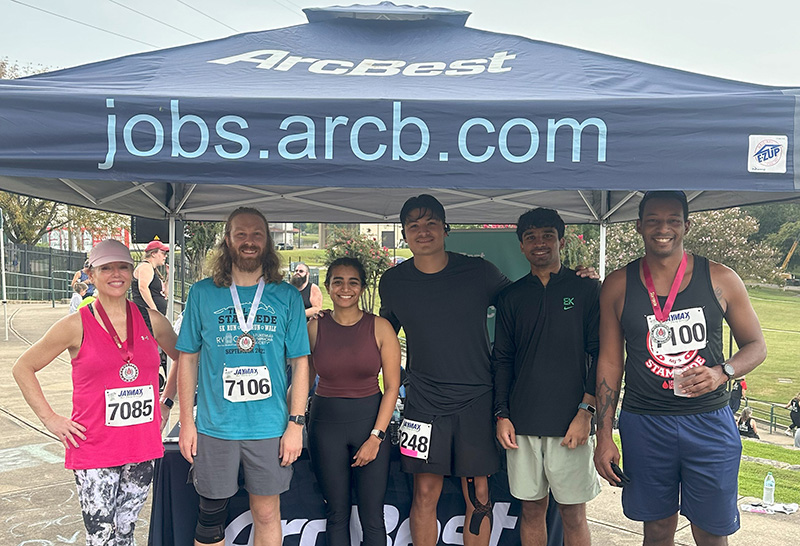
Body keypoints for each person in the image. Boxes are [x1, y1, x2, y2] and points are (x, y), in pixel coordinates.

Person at [379, 194, 596, 546]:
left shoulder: (478, 272)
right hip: (421, 403)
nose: (423, 232)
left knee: (479, 496)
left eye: (431, 223)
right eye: (414, 226)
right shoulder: (392, 281)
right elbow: (381, 335)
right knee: (424, 492)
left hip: (476, 401)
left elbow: (528, 300)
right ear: (403, 234)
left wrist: (577, 282)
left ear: (446, 229)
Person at [594, 191, 767, 546]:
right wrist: (603, 435)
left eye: (673, 220)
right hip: (645, 422)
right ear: (639, 226)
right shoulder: (618, 284)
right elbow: (611, 361)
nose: (663, 228)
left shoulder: (721, 278)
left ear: (687, 226)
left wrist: (724, 372)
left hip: (708, 420)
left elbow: (756, 346)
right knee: (656, 530)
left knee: (711, 531)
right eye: (654, 220)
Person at [12, 239, 179, 546]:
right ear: (90, 273)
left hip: (141, 444)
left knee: (126, 532)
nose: (116, 274)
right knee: (101, 536)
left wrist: (166, 402)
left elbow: (184, 358)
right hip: (95, 448)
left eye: (123, 267)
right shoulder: (75, 324)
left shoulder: (151, 320)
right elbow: (23, 368)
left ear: (131, 271)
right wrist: (50, 419)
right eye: (106, 268)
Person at [177, 207, 310, 546]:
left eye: (257, 235)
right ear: (227, 240)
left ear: (267, 242)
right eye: (241, 234)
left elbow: (301, 363)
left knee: (266, 513)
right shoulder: (202, 293)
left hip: (269, 426)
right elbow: (187, 359)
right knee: (210, 518)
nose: (249, 242)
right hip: (214, 425)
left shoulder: (287, 296)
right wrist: (186, 423)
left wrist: (296, 424)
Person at [493, 208, 600, 546]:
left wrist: (587, 411)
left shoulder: (586, 290)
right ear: (521, 247)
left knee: (573, 514)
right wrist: (502, 414)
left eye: (547, 236)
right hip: (522, 422)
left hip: (572, 422)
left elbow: (601, 355)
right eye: (531, 238)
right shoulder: (511, 297)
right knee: (532, 509)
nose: (539, 243)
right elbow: (503, 360)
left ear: (561, 241)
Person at [307, 257, 401, 546]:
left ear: (362, 288)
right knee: (336, 514)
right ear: (327, 286)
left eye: (353, 282)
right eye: (338, 281)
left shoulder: (380, 327)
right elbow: (301, 382)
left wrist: (376, 437)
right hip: (325, 427)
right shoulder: (313, 328)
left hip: (370, 425)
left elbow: (393, 387)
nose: (345, 288)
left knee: (372, 517)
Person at [132, 239, 169, 315]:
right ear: (153, 254)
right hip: (146, 314)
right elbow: (143, 288)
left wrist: (169, 275)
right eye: (163, 253)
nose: (165, 256)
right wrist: (154, 310)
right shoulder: (146, 267)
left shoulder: (152, 269)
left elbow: (165, 293)